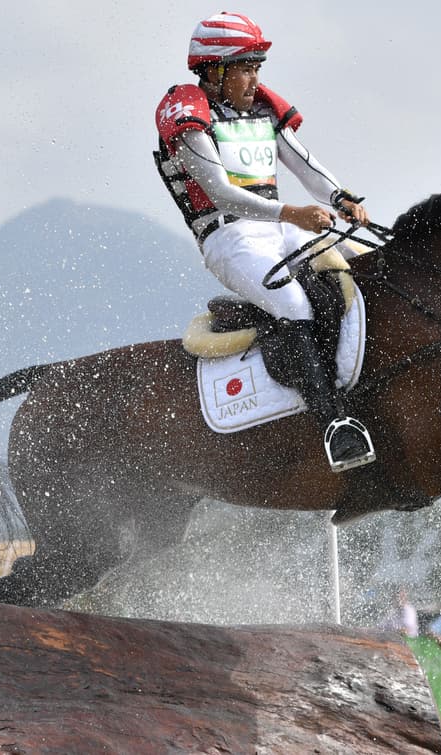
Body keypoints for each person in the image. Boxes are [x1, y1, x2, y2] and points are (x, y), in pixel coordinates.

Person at [154, 11, 374, 472]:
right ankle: (335, 426)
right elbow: (219, 192)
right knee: (294, 304)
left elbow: (303, 164)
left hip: (280, 229)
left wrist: (341, 196)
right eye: (246, 67)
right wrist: (293, 213)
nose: (255, 78)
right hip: (229, 239)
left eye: (257, 67)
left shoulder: (263, 110)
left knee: (362, 263)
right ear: (214, 72)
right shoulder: (191, 117)